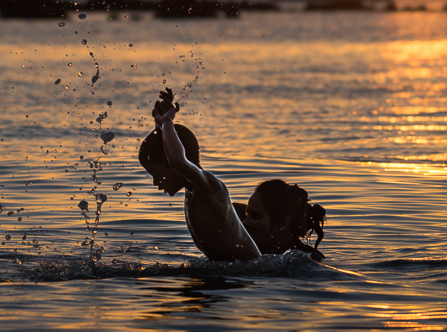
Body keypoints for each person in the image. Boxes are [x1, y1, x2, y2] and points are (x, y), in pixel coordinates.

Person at [138, 88, 261, 262]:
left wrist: (167, 123)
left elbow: (176, 159)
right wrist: (160, 123)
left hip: (249, 273)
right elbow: (170, 155)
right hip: (229, 274)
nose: (156, 182)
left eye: (157, 174)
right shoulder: (192, 191)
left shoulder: (209, 188)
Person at [234, 179, 326, 261]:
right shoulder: (244, 252)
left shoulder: (308, 259)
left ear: (283, 223)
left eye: (256, 216)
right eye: (247, 214)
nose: (245, 223)